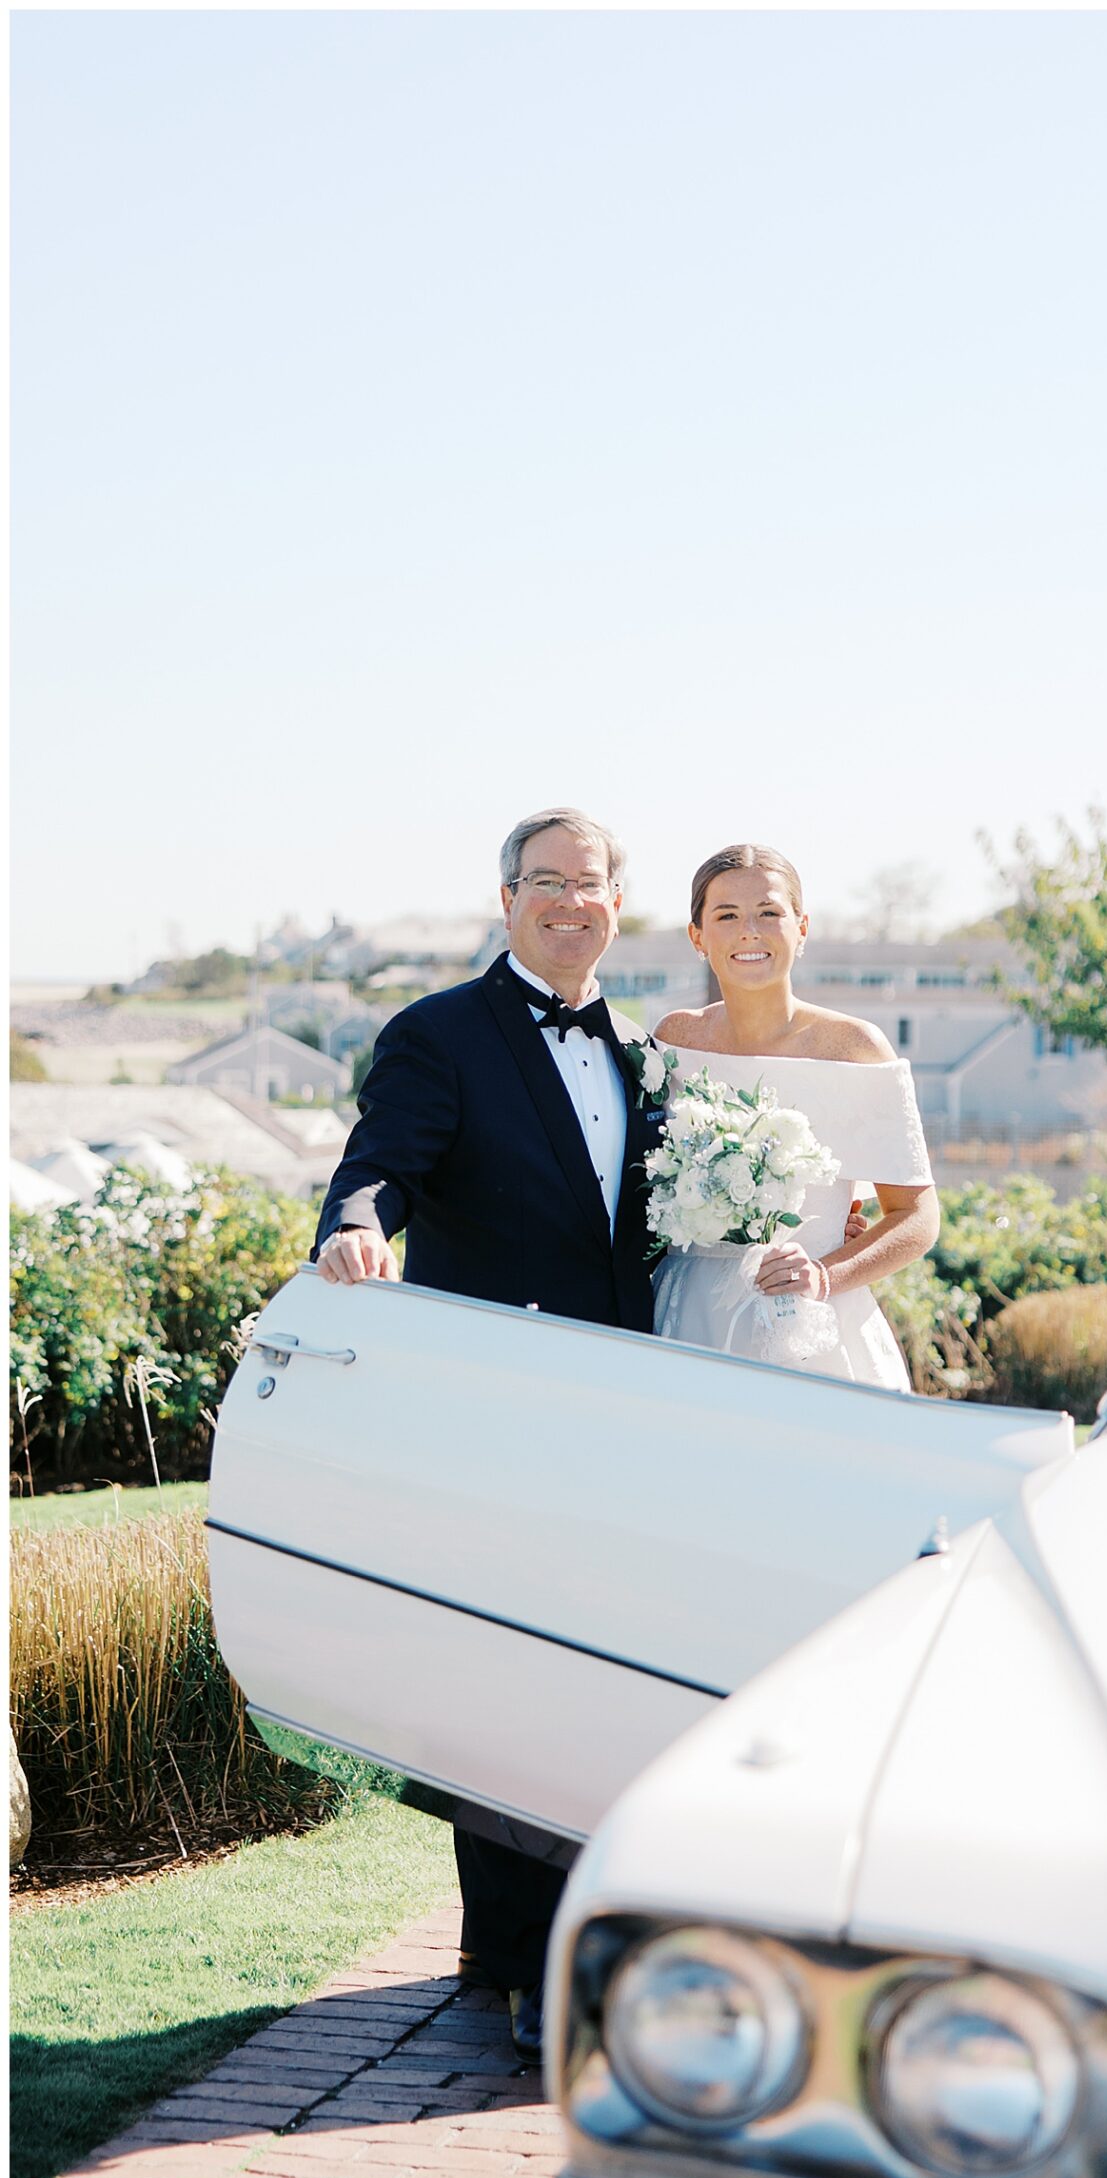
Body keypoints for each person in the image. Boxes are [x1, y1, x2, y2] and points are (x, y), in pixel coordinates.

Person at [312, 806, 662, 2060]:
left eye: (592, 883)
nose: (570, 902)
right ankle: (517, 1960)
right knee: (513, 1679)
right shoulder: (437, 1034)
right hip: (501, 1412)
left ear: (620, 902)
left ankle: (552, 1939)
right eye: (546, 882)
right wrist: (357, 1228)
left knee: (606, 1676)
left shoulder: (650, 1048)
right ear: (505, 898)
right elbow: (377, 1164)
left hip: (635, 1409)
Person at [651, 845, 939, 1387]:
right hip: (690, 1316)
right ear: (697, 936)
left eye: (769, 912)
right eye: (727, 916)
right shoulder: (674, 1040)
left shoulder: (855, 1048)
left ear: (801, 928)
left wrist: (824, 1276)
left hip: (812, 1325)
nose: (750, 932)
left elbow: (918, 1218)